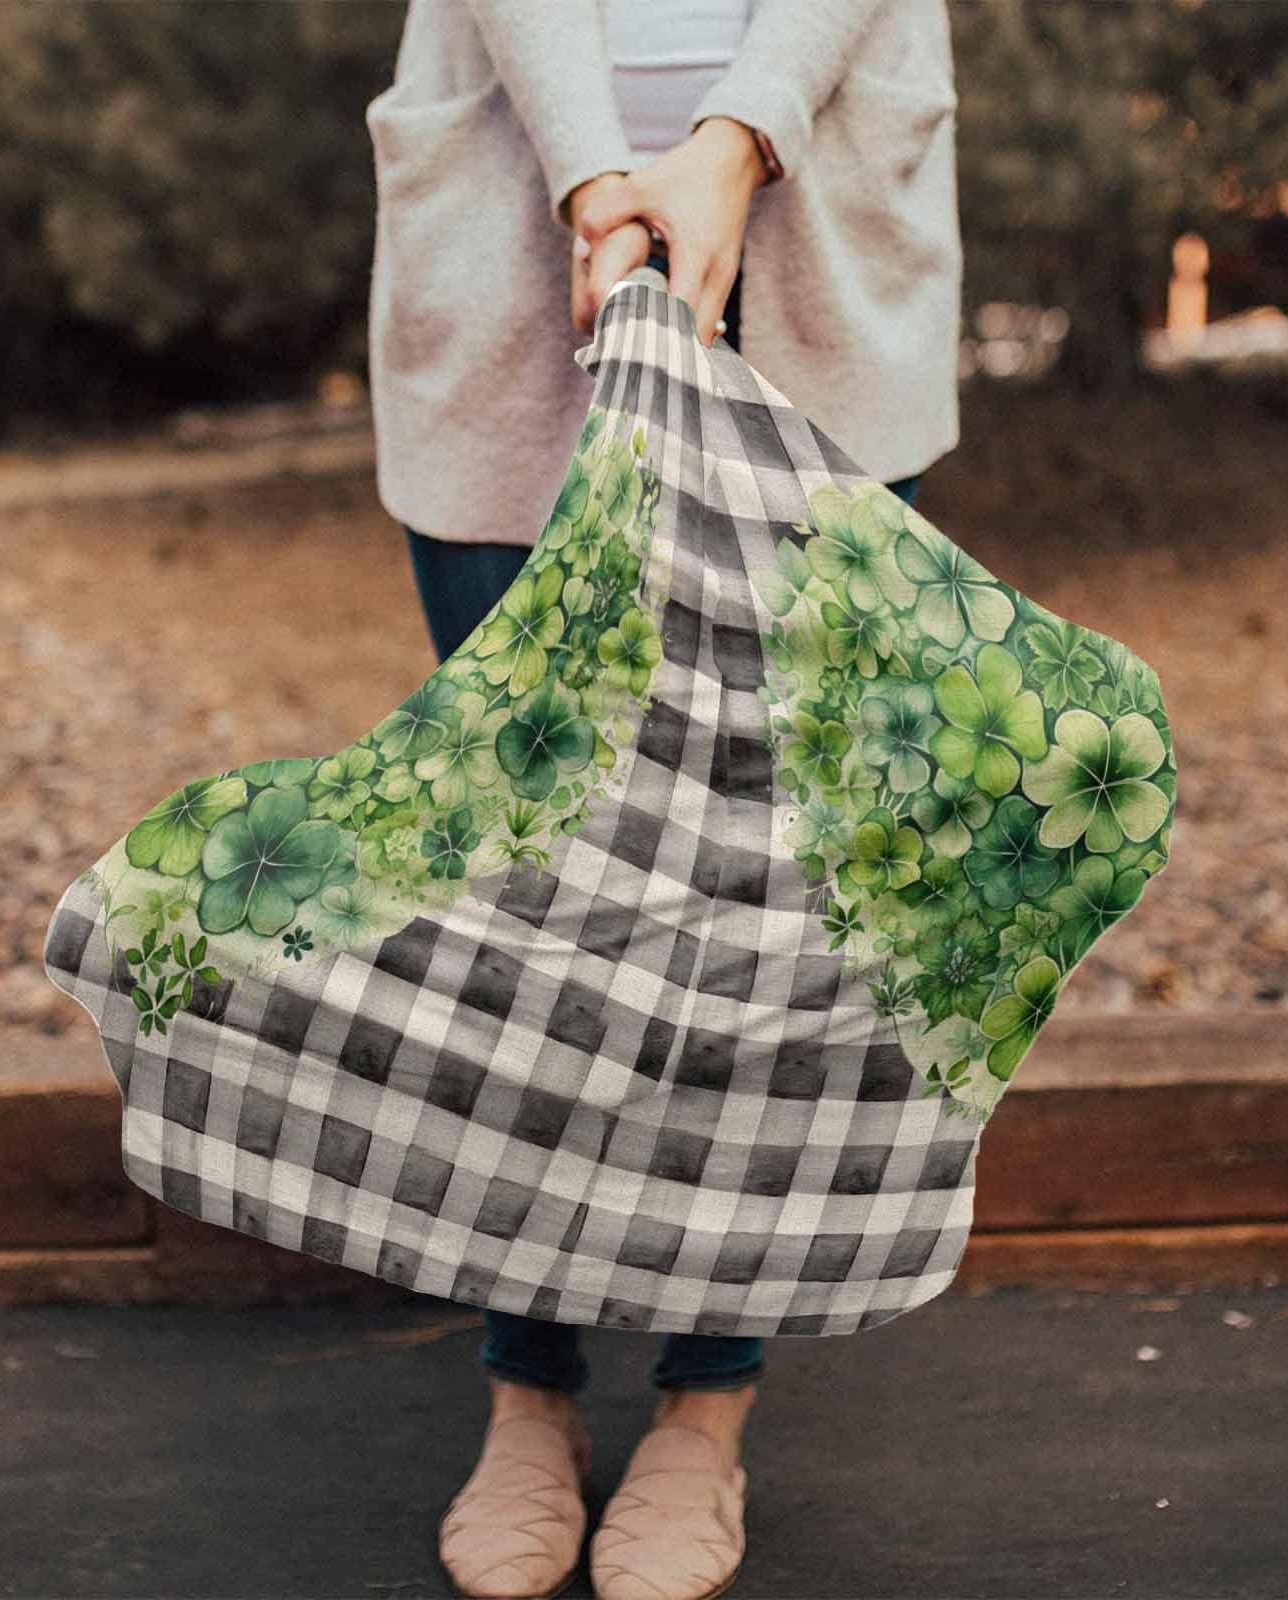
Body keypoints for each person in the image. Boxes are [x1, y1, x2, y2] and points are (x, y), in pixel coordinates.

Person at [364, 4, 960, 1596]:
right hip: (515, 225)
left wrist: (735, 136)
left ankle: (706, 1406)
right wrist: (592, 176)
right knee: (522, 880)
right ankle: (528, 1389)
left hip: (817, 224)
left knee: (771, 889)